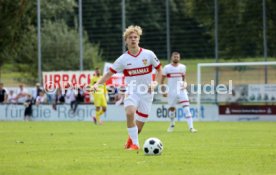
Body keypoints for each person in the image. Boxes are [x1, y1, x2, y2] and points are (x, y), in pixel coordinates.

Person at [92, 25, 162, 150]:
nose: (133, 39)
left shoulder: (149, 54)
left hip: (147, 93)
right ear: (126, 41)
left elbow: (160, 71)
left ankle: (131, 139)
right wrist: (98, 84)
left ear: (139, 39)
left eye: (136, 37)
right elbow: (109, 73)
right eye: (130, 37)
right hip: (132, 91)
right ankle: (136, 144)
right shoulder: (123, 59)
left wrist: (155, 83)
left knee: (139, 128)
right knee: (130, 113)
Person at [161, 52, 197, 133]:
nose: (176, 58)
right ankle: (172, 124)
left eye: (177, 57)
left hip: (181, 91)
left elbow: (184, 79)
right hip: (171, 91)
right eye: (175, 57)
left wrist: (185, 84)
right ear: (171, 58)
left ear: (179, 58)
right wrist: (163, 91)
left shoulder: (183, 67)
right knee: (171, 109)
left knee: (186, 108)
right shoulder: (166, 68)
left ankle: (191, 128)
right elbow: (162, 81)